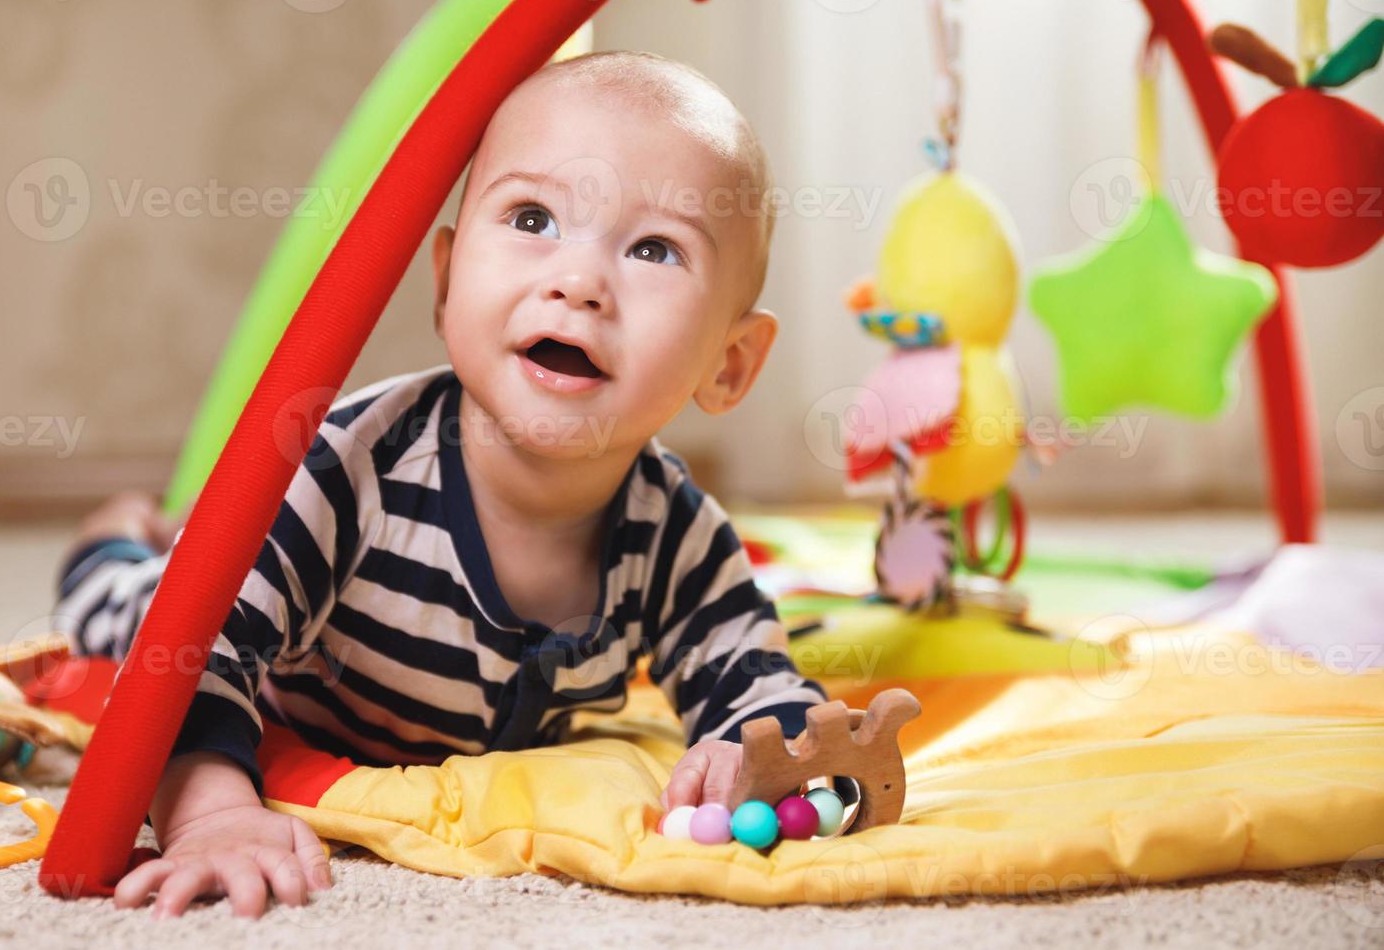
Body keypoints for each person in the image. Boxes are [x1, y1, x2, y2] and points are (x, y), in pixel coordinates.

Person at [53, 50, 827, 919]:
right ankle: (119, 535)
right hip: (260, 653)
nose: (577, 283)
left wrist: (761, 749)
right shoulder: (348, 465)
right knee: (127, 604)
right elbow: (185, 653)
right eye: (533, 217)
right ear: (447, 277)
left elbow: (753, 676)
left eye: (654, 248)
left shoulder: (676, 532)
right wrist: (214, 813)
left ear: (728, 364)